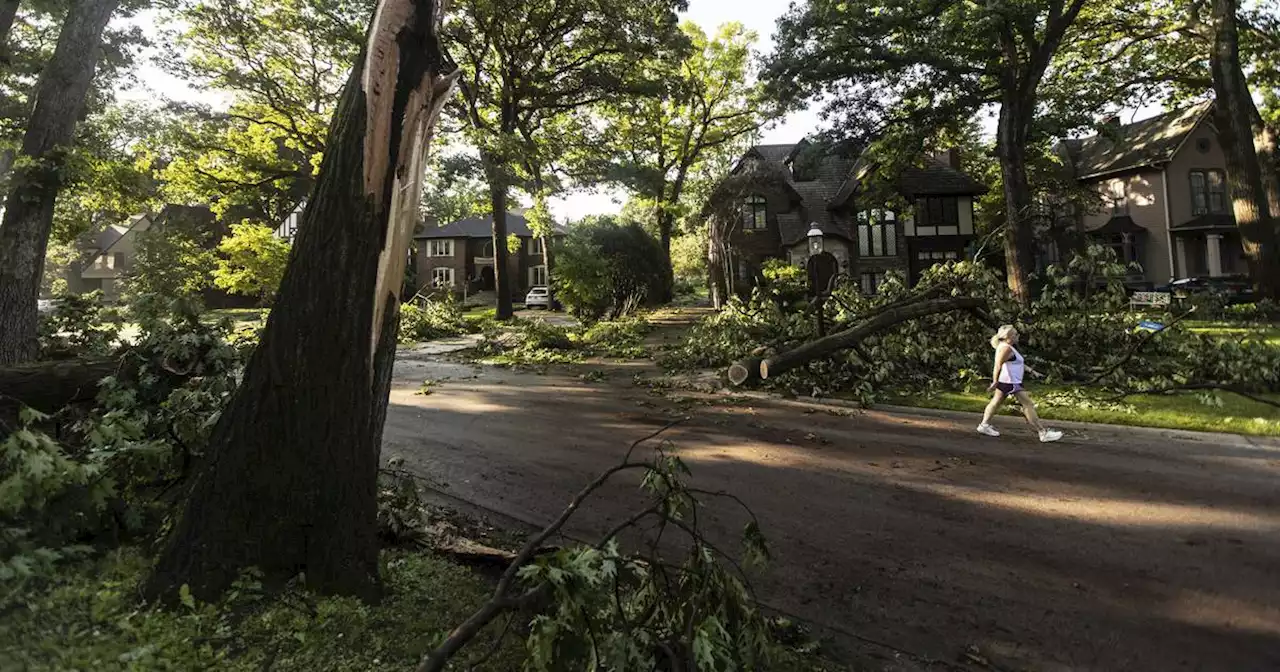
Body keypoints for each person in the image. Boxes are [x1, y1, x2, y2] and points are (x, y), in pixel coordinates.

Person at [976, 324, 1063, 443]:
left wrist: (1033, 371)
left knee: (996, 402)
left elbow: (1017, 362)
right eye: (1016, 334)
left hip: (1008, 381)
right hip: (1011, 382)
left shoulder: (1008, 347)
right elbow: (997, 365)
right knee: (1028, 404)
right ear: (1009, 336)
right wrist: (995, 381)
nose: (1018, 336)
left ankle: (984, 425)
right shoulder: (1006, 348)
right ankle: (1042, 432)